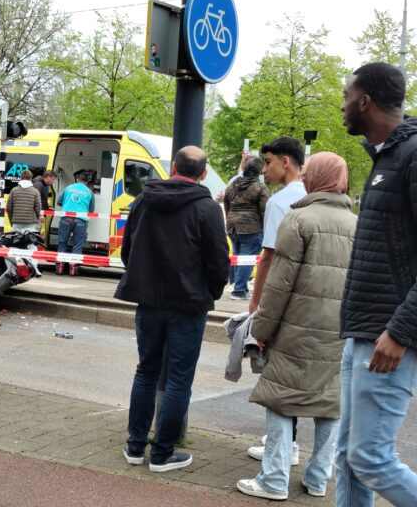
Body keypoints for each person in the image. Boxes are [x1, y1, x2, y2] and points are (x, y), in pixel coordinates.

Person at [235, 152, 357, 501]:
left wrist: (261, 330)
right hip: (340, 331)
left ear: (313, 177)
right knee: (330, 404)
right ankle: (318, 479)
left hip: (296, 328)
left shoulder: (298, 219)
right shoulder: (357, 224)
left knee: (281, 399)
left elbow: (279, 283)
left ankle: (273, 479)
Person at [116, 146, 229, 473]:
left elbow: (128, 251)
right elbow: (218, 262)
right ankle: (162, 453)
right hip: (189, 305)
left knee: (146, 371)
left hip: (148, 302)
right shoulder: (207, 209)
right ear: (203, 173)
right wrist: (212, 292)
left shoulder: (142, 201)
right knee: (179, 379)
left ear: (172, 167)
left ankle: (135, 446)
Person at [335, 62, 417, 507]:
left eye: (347, 95)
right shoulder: (387, 156)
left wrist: (400, 331)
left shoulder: (413, 155)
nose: (342, 105)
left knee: (370, 458)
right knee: (348, 457)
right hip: (365, 332)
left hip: (389, 337)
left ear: (365, 101)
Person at [245, 136, 306, 464]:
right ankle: (292, 445)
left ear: (286, 161)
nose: (264, 169)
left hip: (281, 297)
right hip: (308, 298)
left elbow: (267, 257)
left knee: (277, 372)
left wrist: (255, 304)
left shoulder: (281, 202)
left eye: (268, 162)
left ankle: (284, 446)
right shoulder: (312, 195)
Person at [223, 156, 269, 300]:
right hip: (251, 227)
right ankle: (239, 290)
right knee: (247, 259)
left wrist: (230, 216)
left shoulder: (233, 184)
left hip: (232, 226)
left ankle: (237, 286)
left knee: (238, 257)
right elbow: (264, 210)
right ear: (259, 171)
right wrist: (265, 227)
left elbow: (226, 201)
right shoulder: (260, 187)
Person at [55, 172, 94, 276]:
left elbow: (59, 202)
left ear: (77, 179)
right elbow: (91, 209)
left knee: (62, 243)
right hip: (81, 220)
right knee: (77, 245)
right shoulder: (89, 192)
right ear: (86, 182)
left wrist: (68, 204)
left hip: (66, 218)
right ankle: (73, 269)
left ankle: (60, 267)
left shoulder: (68, 188)